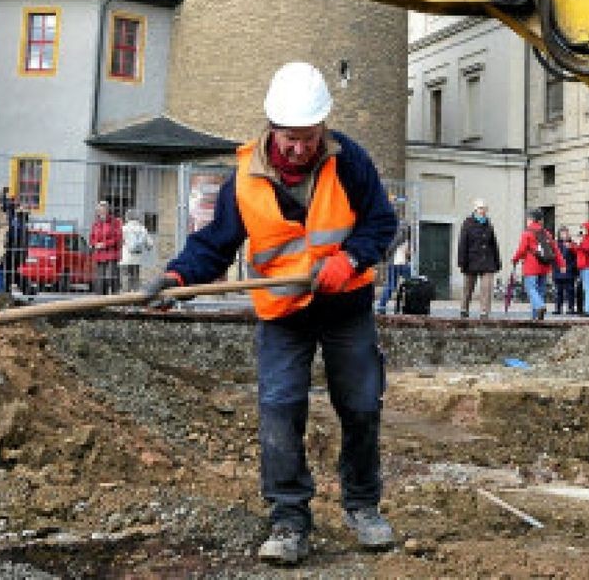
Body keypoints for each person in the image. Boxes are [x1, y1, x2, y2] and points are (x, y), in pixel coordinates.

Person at [141, 62, 398, 566]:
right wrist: (177, 278)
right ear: (271, 128)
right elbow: (214, 245)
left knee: (363, 404)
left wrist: (349, 260)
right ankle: (288, 519)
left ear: (323, 127)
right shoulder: (246, 180)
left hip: (345, 306)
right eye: (289, 138)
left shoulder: (349, 162)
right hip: (283, 312)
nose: (299, 149)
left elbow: (380, 222)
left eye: (308, 137)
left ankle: (363, 506)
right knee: (280, 409)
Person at [511, 209, 564, 320]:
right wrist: (562, 264)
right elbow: (555, 250)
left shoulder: (527, 233)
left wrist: (515, 259)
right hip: (544, 266)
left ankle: (539, 306)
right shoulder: (546, 233)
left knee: (531, 288)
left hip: (531, 266)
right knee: (540, 290)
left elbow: (522, 250)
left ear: (531, 219)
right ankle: (536, 316)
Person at [457, 198, 501, 318]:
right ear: (475, 209)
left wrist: (497, 262)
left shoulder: (488, 225)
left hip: (487, 261)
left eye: (484, 208)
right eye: (480, 208)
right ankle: (464, 309)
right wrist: (461, 261)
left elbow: (494, 244)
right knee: (468, 288)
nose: (483, 210)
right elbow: (462, 243)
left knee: (486, 288)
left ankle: (484, 312)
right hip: (471, 260)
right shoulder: (468, 223)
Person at [376, 223, 411, 314]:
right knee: (409, 284)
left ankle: (382, 305)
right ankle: (383, 305)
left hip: (397, 261)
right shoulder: (404, 230)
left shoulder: (398, 230)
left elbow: (391, 246)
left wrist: (386, 257)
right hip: (399, 261)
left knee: (392, 285)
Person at [89, 201, 123, 295]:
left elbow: (118, 238)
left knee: (112, 277)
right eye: (99, 210)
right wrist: (94, 244)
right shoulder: (96, 224)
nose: (101, 212)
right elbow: (92, 237)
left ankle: (115, 298)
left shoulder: (115, 222)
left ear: (108, 210)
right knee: (100, 279)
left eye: (103, 210)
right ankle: (100, 298)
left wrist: (104, 244)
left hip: (111, 254)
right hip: (99, 255)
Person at [120, 211, 153, 291]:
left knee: (126, 278)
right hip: (137, 258)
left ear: (127, 217)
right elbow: (150, 244)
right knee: (135, 278)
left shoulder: (124, 228)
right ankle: (135, 296)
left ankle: (126, 296)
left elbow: (119, 241)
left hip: (126, 257)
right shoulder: (142, 229)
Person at [552, 226, 578, 315]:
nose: (565, 235)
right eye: (563, 233)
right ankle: (558, 308)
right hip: (558, 272)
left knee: (570, 291)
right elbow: (553, 258)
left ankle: (570, 308)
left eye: (566, 233)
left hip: (569, 272)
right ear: (559, 235)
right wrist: (556, 268)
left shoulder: (573, 244)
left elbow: (576, 258)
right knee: (558, 291)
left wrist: (570, 267)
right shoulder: (555, 245)